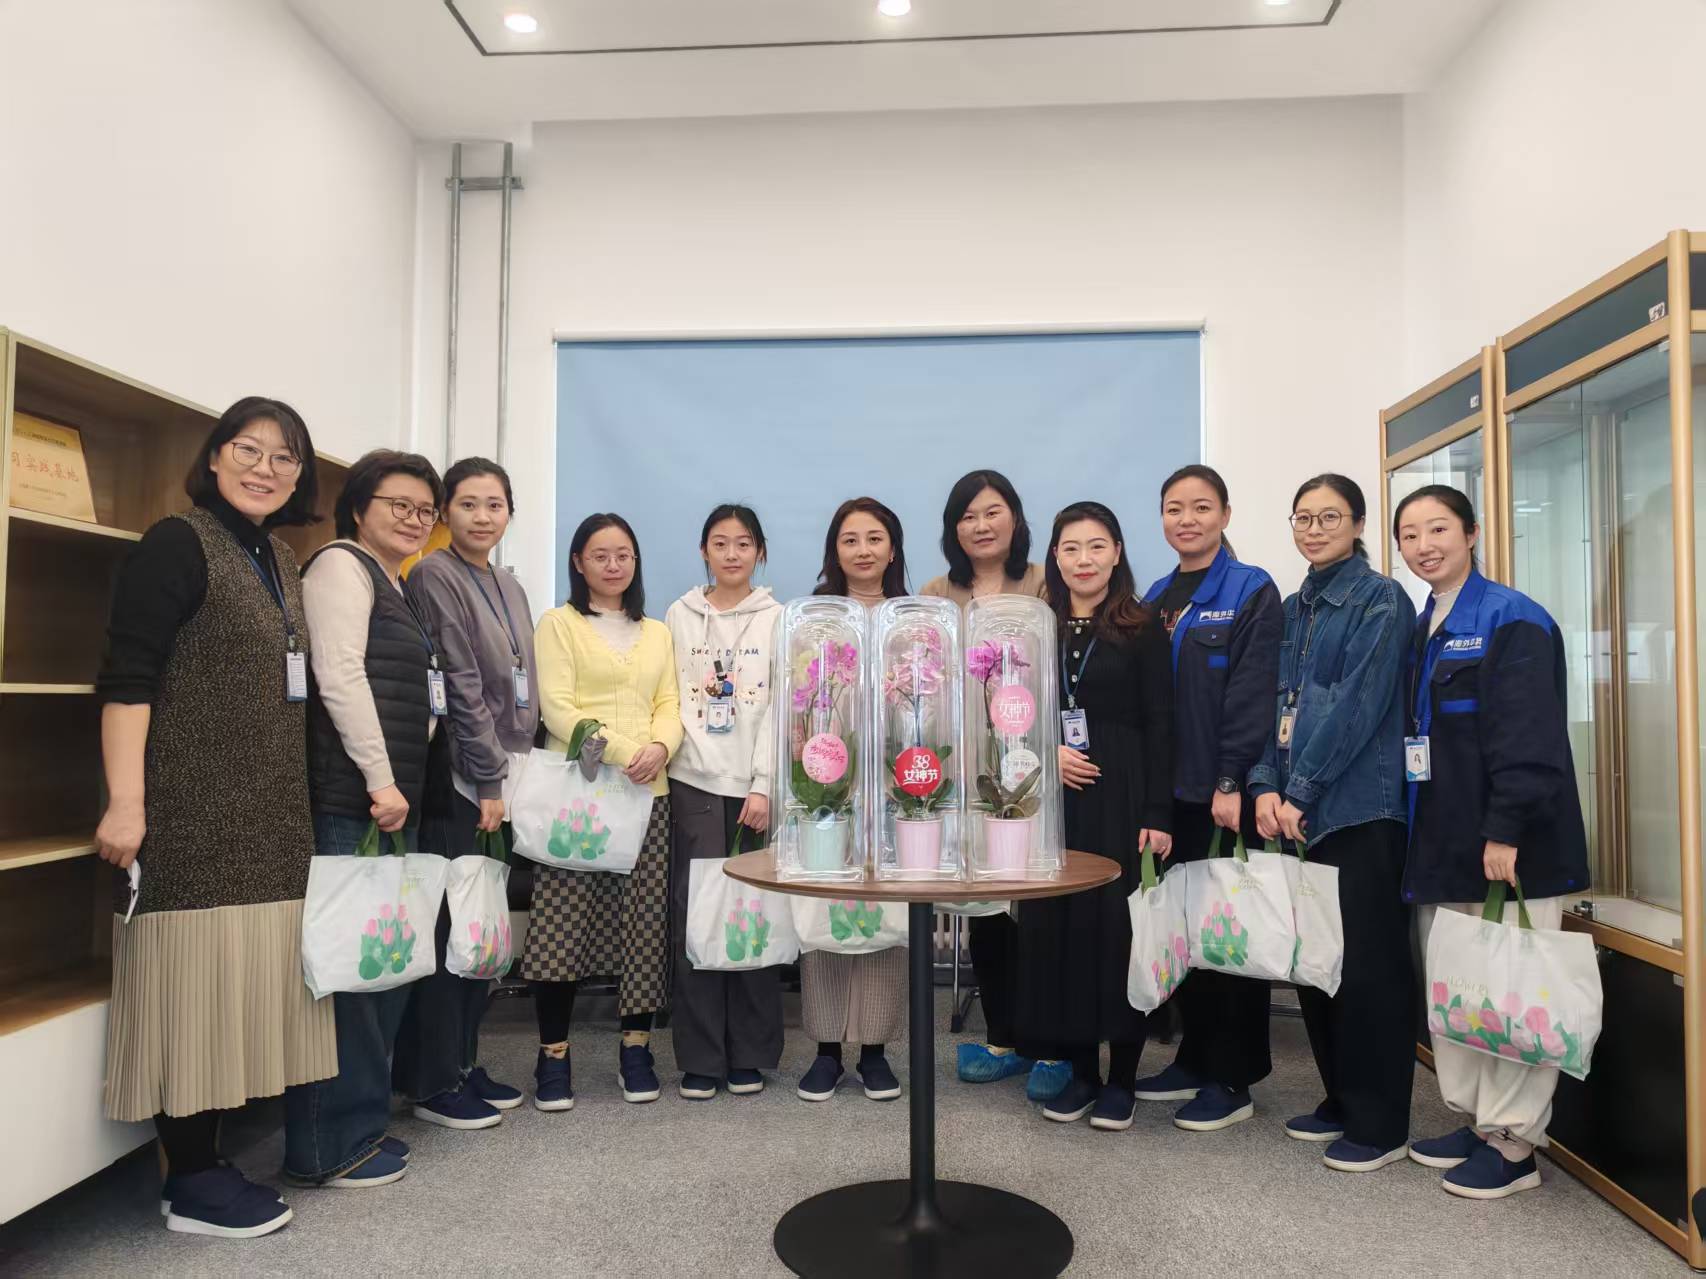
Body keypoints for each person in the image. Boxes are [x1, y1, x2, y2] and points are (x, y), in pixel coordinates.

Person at [95, 398, 333, 1238]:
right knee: (190, 986)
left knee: (241, 986)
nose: (265, 468)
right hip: (190, 810)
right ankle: (189, 1177)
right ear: (215, 455)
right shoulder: (177, 541)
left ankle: (212, 1160)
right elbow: (128, 679)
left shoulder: (280, 555)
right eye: (248, 449)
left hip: (270, 814)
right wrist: (127, 802)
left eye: (284, 457)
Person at [1394, 485, 1589, 1199]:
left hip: (1509, 848)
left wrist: (1505, 828)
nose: (1424, 545)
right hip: (1445, 842)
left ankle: (1515, 1145)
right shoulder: (1426, 623)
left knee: (1515, 992)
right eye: (1410, 534)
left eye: (1438, 528)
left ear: (1472, 532)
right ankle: (1482, 1123)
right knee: (1463, 990)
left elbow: (1530, 739)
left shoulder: (1512, 618)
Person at [283, 449, 445, 1189]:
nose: (413, 518)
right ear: (358, 506)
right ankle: (327, 1144)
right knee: (348, 975)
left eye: (423, 510)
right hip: (355, 799)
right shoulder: (340, 567)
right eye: (398, 504)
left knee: (381, 965)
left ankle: (361, 1124)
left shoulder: (395, 581)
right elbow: (340, 675)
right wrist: (381, 778)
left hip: (391, 799)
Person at [1250, 472, 1417, 1173]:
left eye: (1329, 517)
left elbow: (1359, 706)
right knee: (1317, 963)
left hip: (1357, 810)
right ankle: (1342, 1097)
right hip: (1296, 811)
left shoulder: (1381, 599)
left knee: (1369, 970)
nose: (1314, 529)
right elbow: (1273, 704)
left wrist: (1302, 789)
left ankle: (1380, 1123)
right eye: (1303, 518)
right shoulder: (1295, 607)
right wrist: (1265, 784)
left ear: (1358, 524)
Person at [1015, 501, 1174, 1132]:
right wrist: (1043, 752)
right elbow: (1013, 711)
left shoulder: (1143, 625)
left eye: (1097, 546)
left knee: (1119, 933)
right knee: (1063, 931)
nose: (1084, 559)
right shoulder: (1037, 627)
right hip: (1055, 799)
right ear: (1055, 556)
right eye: (1071, 547)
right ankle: (1081, 1073)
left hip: (1122, 794)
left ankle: (1123, 1079)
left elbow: (1162, 723)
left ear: (1117, 553)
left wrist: (1158, 812)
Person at [1133, 465, 1282, 1130]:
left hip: (1220, 794)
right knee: (1185, 932)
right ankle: (1194, 1057)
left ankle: (1232, 1076)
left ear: (1224, 513)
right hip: (1171, 795)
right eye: (1174, 508)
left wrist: (1230, 779)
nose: (1186, 519)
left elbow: (1253, 693)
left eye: (1200, 507)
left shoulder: (1250, 590)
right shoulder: (1157, 595)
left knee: (1229, 936)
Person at [393, 457, 538, 1128]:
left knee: (483, 927)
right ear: (445, 511)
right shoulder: (434, 575)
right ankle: (432, 1081)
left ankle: (463, 1060)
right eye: (469, 503)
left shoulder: (508, 584)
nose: (483, 516)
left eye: (495, 504)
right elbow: (459, 683)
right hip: (462, 779)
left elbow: (520, 681)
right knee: (451, 927)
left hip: (504, 776)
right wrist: (486, 777)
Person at [523, 514, 681, 1110]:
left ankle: (635, 1049)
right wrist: (623, 751)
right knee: (561, 925)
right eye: (600, 555)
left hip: (647, 792)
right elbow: (557, 708)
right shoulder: (558, 624)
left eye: (623, 555)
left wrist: (660, 746)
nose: (613, 566)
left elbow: (669, 702)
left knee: (643, 925)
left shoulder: (657, 632)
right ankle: (553, 1054)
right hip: (580, 794)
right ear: (578, 563)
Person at [920, 469, 1068, 1103]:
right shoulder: (936, 593)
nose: (981, 526)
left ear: (1015, 518)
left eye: (992, 512)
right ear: (954, 528)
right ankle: (1004, 1037)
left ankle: (1052, 1042)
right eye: (968, 516)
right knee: (984, 909)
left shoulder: (1043, 584)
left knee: (1039, 909)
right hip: (967, 770)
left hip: (1032, 768)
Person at [664, 504, 785, 1100]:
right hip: (691, 781)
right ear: (704, 550)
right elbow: (670, 697)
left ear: (759, 551)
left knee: (751, 917)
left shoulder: (779, 619)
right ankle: (701, 1057)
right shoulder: (679, 615)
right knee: (696, 918)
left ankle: (751, 1053)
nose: (732, 554)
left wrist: (762, 784)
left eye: (743, 543)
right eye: (720, 543)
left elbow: (781, 709)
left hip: (752, 788)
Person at [796, 497, 909, 1103]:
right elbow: (797, 701)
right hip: (828, 787)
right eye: (850, 540)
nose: (863, 550)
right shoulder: (814, 619)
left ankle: (874, 1052)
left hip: (893, 789)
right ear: (834, 551)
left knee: (885, 915)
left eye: (874, 538)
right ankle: (825, 1050)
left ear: (892, 549)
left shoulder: (911, 620)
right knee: (825, 910)